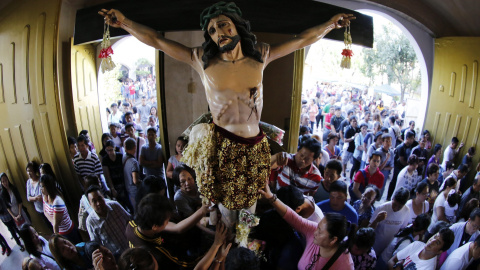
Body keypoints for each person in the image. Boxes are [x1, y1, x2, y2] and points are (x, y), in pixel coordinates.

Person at [99, 3, 355, 220]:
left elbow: (300, 40)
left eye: (223, 25)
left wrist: (331, 25)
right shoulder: (201, 60)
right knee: (223, 209)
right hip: (223, 147)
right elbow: (156, 40)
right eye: (211, 30)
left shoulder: (260, 56)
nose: (218, 32)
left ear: (236, 24)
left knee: (250, 205)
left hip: (255, 146)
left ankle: (243, 247)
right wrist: (125, 23)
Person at [258, 181, 356, 270]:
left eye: (320, 231)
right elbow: (293, 218)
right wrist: (271, 197)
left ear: (333, 240)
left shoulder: (345, 265)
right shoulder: (313, 230)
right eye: (317, 227)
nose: (315, 232)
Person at [125, 194, 211, 269]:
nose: (168, 222)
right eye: (167, 221)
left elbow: (177, 228)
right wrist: (213, 248)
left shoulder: (132, 224)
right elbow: (188, 263)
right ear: (155, 227)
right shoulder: (157, 253)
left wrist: (202, 210)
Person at [85, 185, 131, 256]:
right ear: (90, 204)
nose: (98, 203)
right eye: (94, 201)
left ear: (103, 197)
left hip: (131, 247)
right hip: (117, 256)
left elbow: (129, 220)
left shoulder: (115, 206)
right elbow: (97, 245)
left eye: (100, 198)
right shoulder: (90, 222)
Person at [387, 227, 454, 270]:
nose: (432, 241)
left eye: (437, 242)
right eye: (434, 237)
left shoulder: (428, 268)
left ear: (440, 251)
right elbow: (391, 261)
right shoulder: (417, 245)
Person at [369, 187, 410, 255]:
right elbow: (369, 229)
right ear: (392, 198)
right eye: (394, 204)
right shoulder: (382, 208)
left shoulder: (406, 211)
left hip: (388, 248)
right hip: (375, 245)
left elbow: (402, 229)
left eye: (399, 207)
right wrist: (376, 220)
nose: (396, 208)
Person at [41, 174, 80, 244]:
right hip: (60, 231)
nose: (41, 189)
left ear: (48, 186)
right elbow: (44, 212)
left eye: (43, 186)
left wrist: (56, 240)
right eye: (40, 186)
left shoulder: (57, 201)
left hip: (68, 232)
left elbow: (56, 224)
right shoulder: (45, 197)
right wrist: (53, 222)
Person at [101, 140, 131, 212]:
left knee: (128, 202)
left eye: (111, 150)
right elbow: (107, 175)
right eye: (107, 150)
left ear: (114, 148)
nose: (109, 152)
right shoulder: (105, 159)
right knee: (120, 205)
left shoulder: (120, 156)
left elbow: (125, 170)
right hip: (114, 184)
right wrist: (112, 188)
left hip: (123, 182)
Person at [388, 131, 416, 201]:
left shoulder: (409, 146)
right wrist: (409, 165)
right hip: (398, 167)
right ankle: (389, 197)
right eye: (412, 138)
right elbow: (401, 160)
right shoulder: (401, 147)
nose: (413, 140)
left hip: (405, 167)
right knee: (394, 182)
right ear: (408, 138)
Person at [25, 161, 51, 229]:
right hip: (39, 210)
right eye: (27, 171)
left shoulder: (40, 179)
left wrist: (42, 198)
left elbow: (47, 194)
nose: (29, 173)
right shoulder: (28, 182)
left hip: (48, 208)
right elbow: (28, 197)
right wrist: (36, 198)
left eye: (31, 171)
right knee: (49, 227)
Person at [123, 137, 141, 213]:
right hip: (135, 191)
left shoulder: (124, 157)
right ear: (135, 147)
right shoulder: (133, 162)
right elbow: (135, 180)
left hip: (127, 189)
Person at [377, 133, 394, 200]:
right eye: (386, 141)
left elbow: (391, 166)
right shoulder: (378, 152)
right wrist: (387, 159)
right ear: (383, 142)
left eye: (390, 141)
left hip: (385, 174)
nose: (388, 143)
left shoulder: (391, 152)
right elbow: (378, 168)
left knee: (382, 187)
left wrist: (383, 167)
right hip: (377, 173)